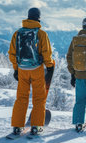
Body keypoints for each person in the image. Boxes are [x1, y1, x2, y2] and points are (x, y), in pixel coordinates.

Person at [8, 8, 55, 136]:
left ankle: (17, 127)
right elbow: (46, 53)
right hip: (36, 69)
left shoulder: (17, 34)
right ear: (38, 18)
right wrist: (49, 66)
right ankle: (36, 126)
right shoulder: (41, 34)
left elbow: (12, 54)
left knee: (21, 98)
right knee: (39, 98)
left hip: (22, 69)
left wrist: (16, 69)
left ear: (28, 17)